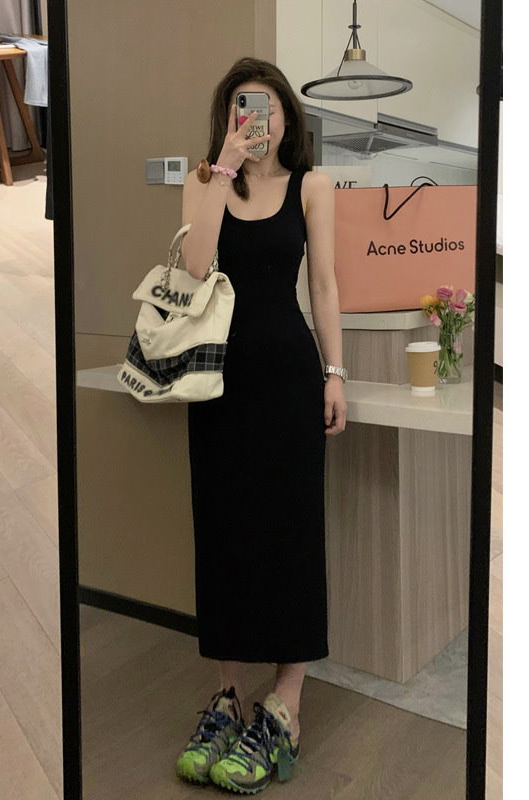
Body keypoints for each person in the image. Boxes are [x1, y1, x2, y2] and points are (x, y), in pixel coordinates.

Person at [175, 57, 347, 794]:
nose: (257, 120)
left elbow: (325, 285)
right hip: (216, 385)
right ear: (227, 117)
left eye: (268, 108)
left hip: (288, 383)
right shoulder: (202, 181)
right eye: (243, 108)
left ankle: (286, 706)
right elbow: (194, 268)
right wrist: (222, 168)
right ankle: (227, 698)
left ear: (287, 118)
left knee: (290, 533)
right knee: (223, 532)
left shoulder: (313, 185)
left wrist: (335, 373)